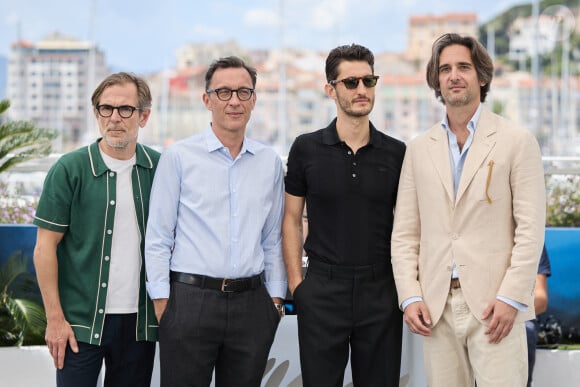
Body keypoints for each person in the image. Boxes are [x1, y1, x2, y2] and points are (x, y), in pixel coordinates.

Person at [391, 32, 546, 387]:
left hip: (496, 308)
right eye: (444, 69)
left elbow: (531, 229)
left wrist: (511, 298)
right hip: (436, 308)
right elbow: (405, 233)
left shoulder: (516, 141)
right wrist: (410, 295)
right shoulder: (418, 149)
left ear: (482, 76)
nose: (453, 75)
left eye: (463, 66)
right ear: (436, 80)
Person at [145, 56, 286, 387]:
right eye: (223, 92)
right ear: (207, 99)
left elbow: (272, 238)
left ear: (254, 99)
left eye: (242, 92)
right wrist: (163, 301)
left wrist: (275, 300)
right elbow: (159, 236)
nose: (234, 101)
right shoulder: (178, 157)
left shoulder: (269, 162)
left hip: (252, 304)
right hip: (189, 301)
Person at [283, 43, 406, 387]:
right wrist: (298, 287)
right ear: (330, 89)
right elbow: (292, 218)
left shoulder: (397, 153)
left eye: (369, 80)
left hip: (381, 290)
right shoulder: (305, 148)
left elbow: (410, 226)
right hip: (322, 289)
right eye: (351, 83)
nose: (362, 90)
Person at [33, 72, 159, 386]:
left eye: (125, 109)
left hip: (139, 324)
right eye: (106, 109)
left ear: (143, 117)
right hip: (79, 324)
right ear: (96, 113)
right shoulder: (69, 169)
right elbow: (44, 247)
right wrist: (54, 320)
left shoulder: (161, 169)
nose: (114, 118)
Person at [526, 244, 551, 387]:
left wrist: (507, 312)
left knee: (525, 330)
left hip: (518, 315)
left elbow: (541, 300)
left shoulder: (531, 237)